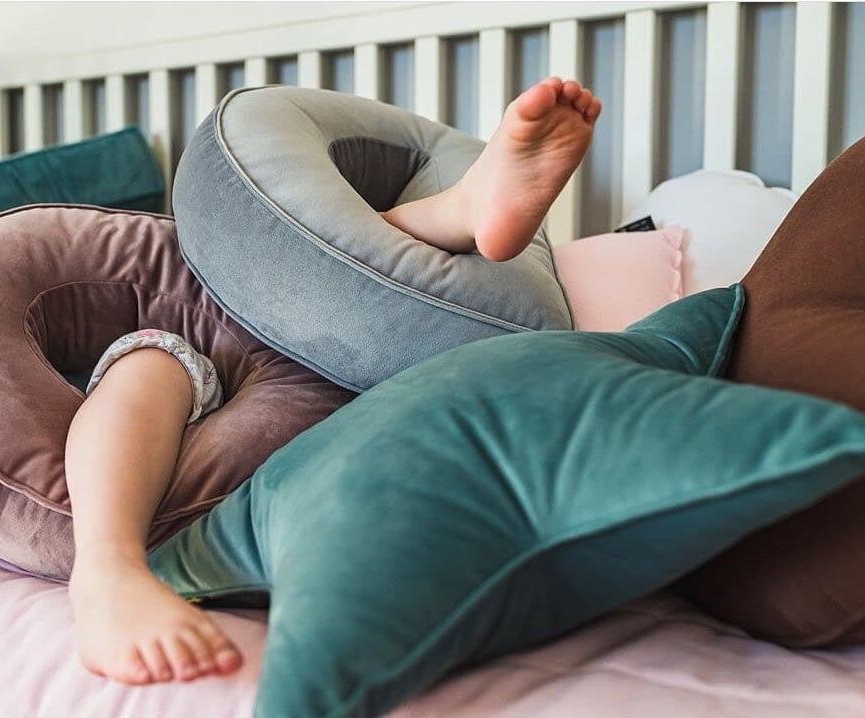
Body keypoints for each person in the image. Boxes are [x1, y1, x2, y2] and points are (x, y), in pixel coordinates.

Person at [65, 76, 602, 685]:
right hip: (201, 356)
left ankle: (466, 209)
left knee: (350, 264)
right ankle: (107, 569)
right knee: (151, 360)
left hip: (321, 353)